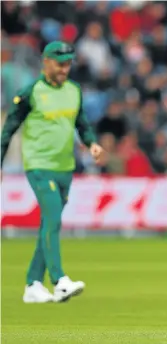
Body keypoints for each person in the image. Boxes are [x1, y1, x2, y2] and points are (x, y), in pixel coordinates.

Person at [0, 41, 105, 303]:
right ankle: (59, 281)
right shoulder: (30, 93)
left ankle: (32, 284)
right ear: (45, 62)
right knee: (53, 217)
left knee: (50, 221)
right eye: (60, 63)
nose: (65, 68)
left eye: (68, 63)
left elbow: (81, 123)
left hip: (64, 167)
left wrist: (92, 143)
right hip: (38, 165)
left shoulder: (74, 90)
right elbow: (8, 130)